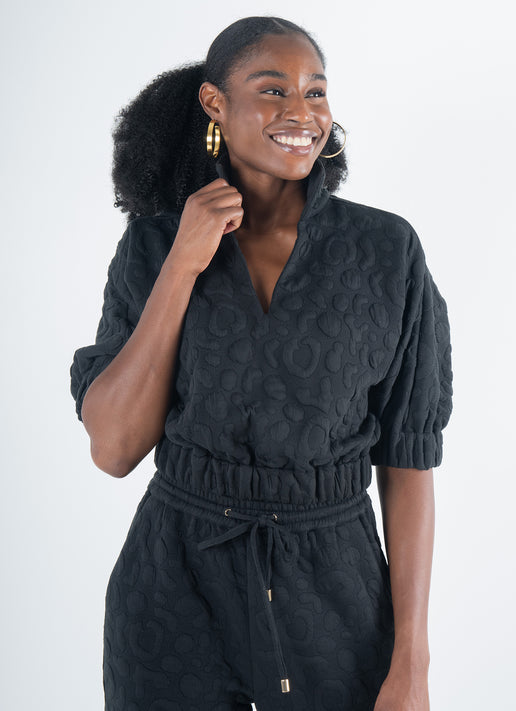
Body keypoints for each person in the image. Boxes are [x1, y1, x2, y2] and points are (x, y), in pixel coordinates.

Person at [70, 15, 453, 711]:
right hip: (172, 588)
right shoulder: (155, 244)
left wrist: (412, 662)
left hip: (336, 596)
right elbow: (114, 448)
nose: (300, 113)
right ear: (215, 104)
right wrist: (182, 266)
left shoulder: (386, 252)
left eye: (315, 92)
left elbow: (407, 465)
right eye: (272, 91)